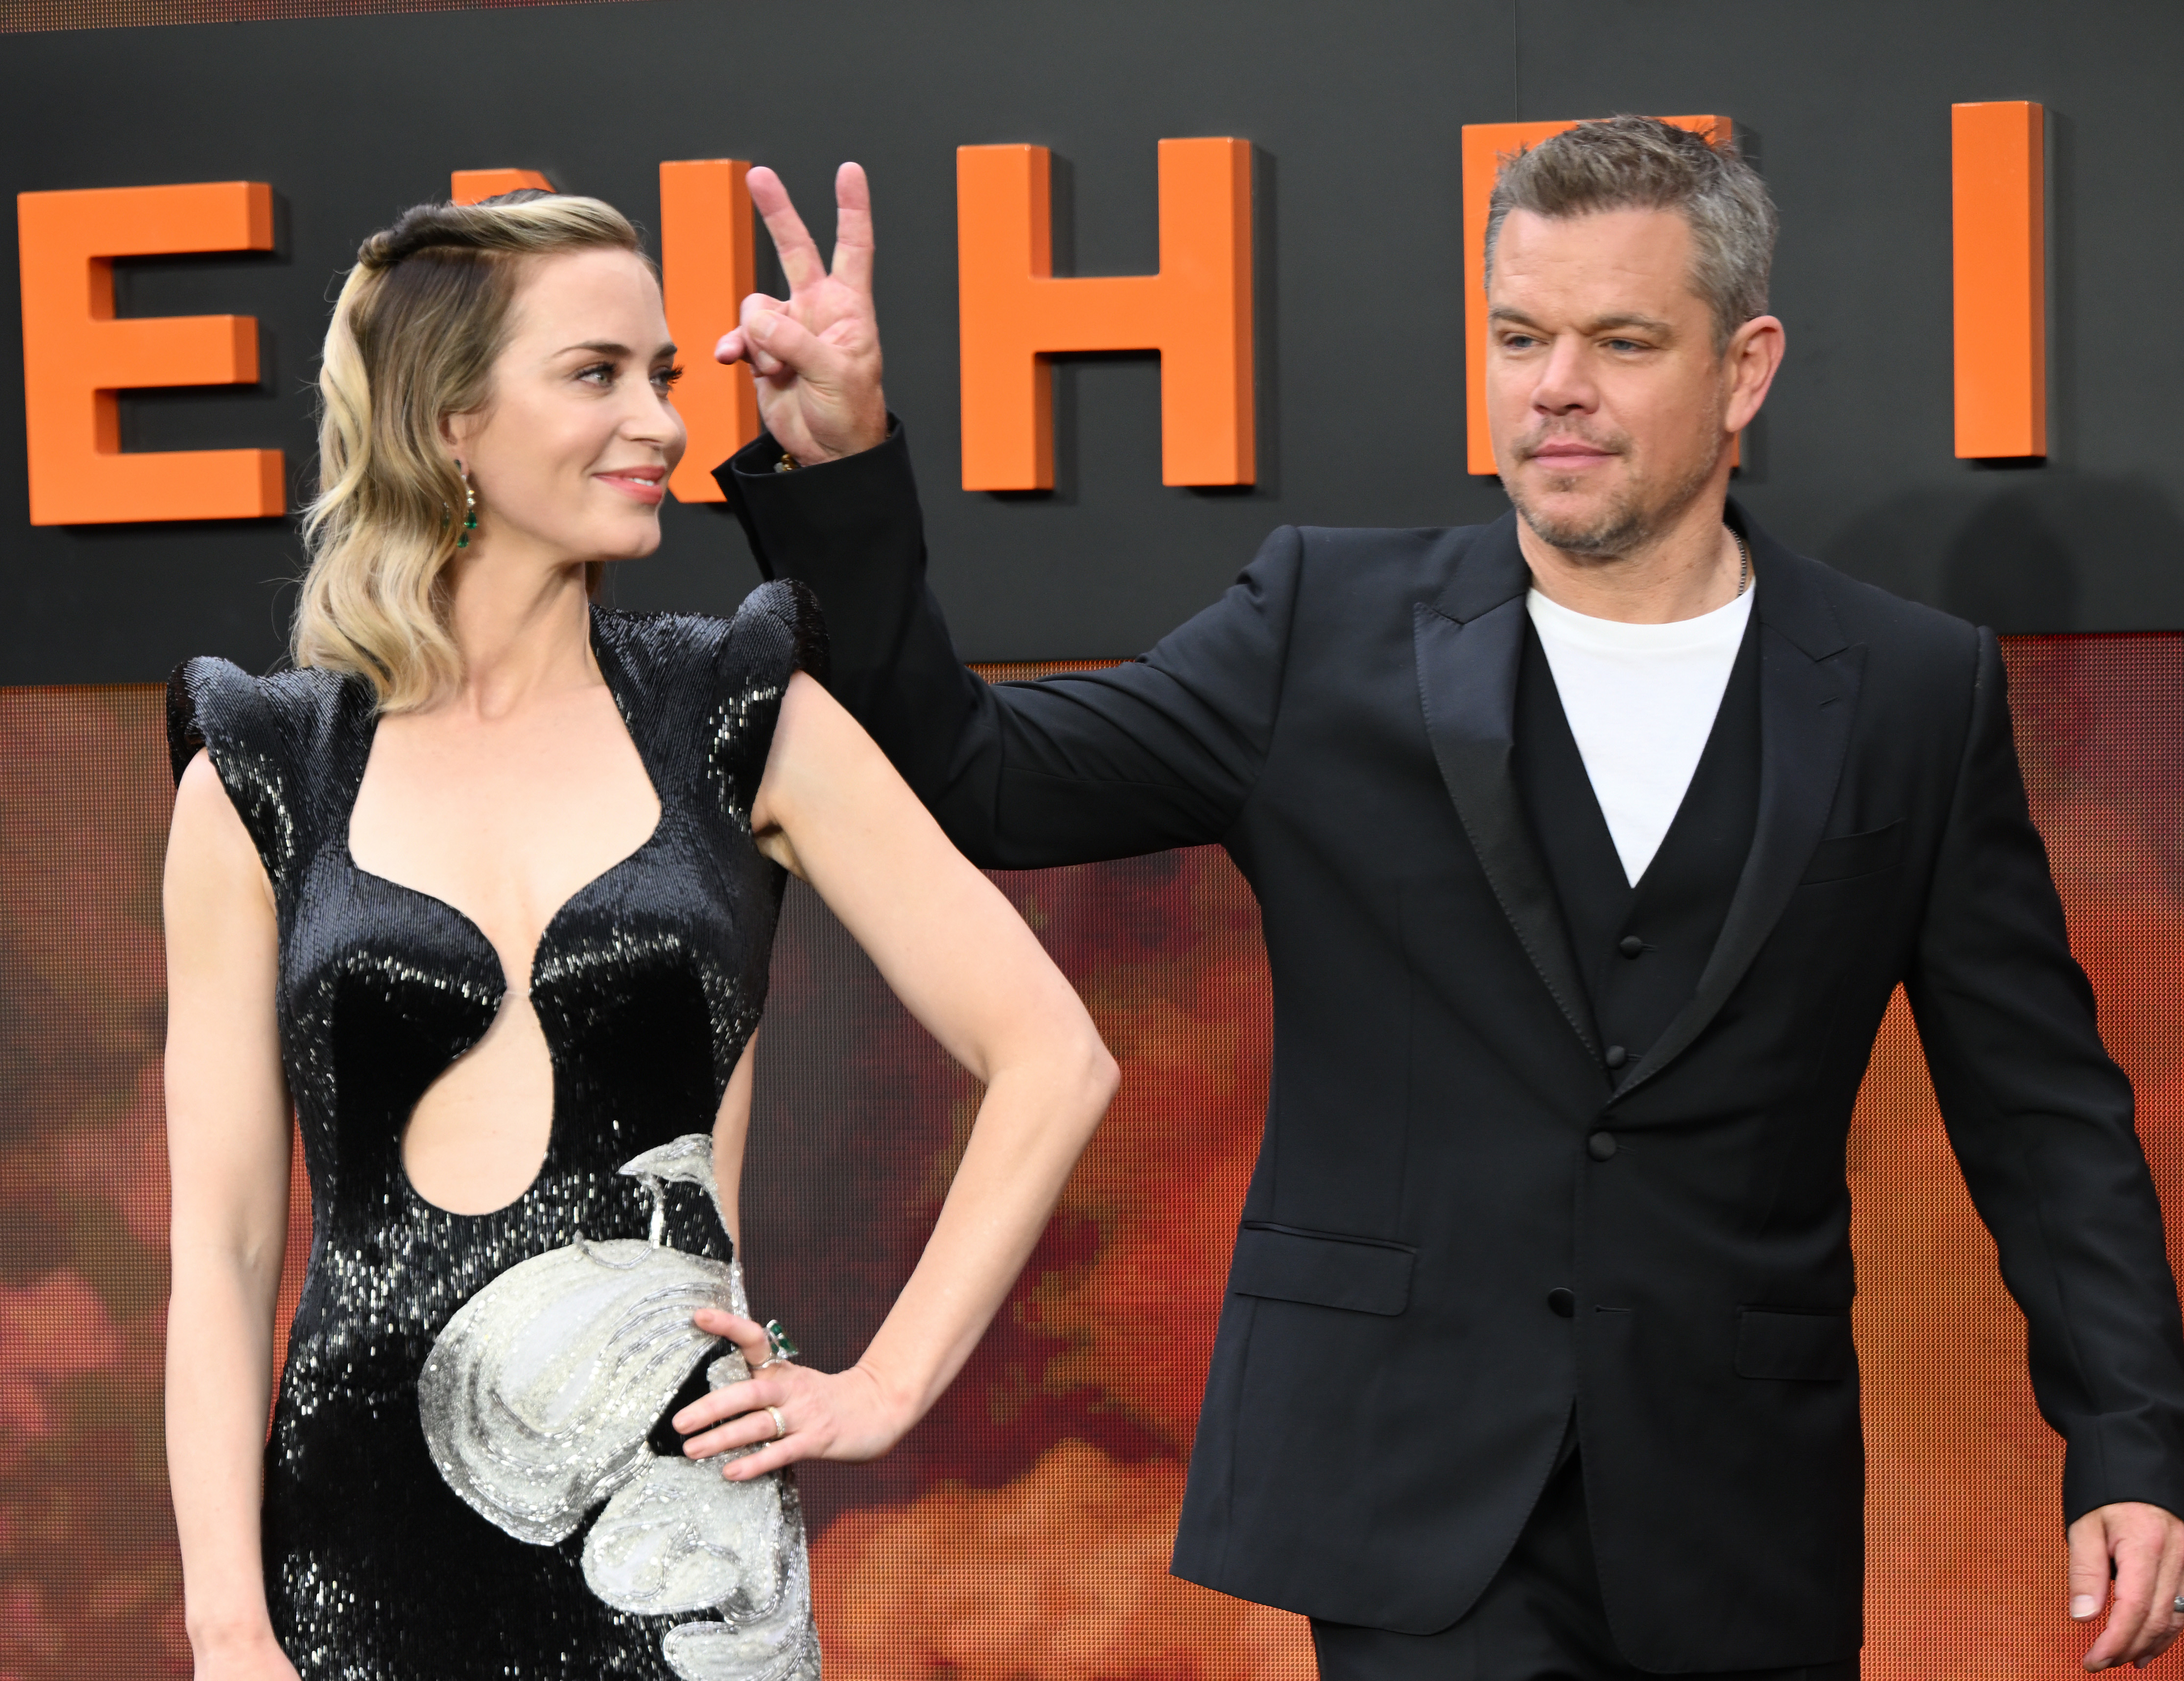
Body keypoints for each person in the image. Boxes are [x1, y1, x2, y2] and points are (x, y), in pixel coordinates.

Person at [708, 121, 2184, 1678]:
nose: (1557, 385)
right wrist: (844, 464)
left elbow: (2042, 1111)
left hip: (1740, 1508)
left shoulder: (1906, 690)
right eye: (1520, 336)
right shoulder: (1320, 624)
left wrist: (2134, 1442)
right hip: (1410, 1495)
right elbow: (977, 774)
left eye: (1621, 342)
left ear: (1745, 370)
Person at [160, 190, 1118, 1681]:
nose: (664, 424)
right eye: (599, 374)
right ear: (451, 422)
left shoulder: (738, 713)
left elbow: (1054, 1053)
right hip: (349, 1563)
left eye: (665, 374)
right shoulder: (264, 768)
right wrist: (228, 1623)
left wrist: (881, 1385)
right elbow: (222, 1247)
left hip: (680, 1559)